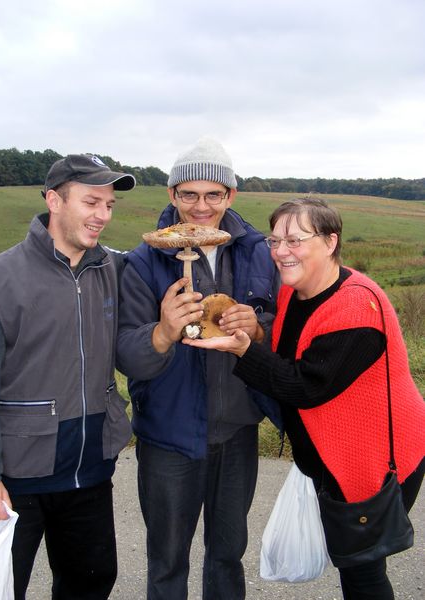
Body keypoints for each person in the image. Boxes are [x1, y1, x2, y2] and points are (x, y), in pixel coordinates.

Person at [183, 196, 425, 600]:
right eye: (274, 241)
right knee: (352, 558)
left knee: (362, 565)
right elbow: (284, 354)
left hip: (380, 456)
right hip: (338, 453)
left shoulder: (356, 306)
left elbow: (305, 387)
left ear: (330, 242)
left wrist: (244, 350)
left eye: (295, 240)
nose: (281, 252)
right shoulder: (294, 294)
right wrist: (256, 335)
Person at [116, 137, 280, 600]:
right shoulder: (144, 261)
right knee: (167, 562)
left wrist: (258, 329)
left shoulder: (257, 252)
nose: (201, 207)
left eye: (214, 194)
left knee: (227, 555)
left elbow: (278, 329)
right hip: (168, 435)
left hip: (238, 430)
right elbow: (129, 356)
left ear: (231, 196)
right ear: (171, 195)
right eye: (188, 194)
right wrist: (164, 332)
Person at [0, 153, 136, 600]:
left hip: (89, 472)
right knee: (2, 589)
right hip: (16, 482)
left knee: (90, 584)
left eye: (109, 206)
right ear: (54, 200)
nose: (102, 215)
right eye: (91, 202)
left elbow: (166, 252)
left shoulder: (114, 268)